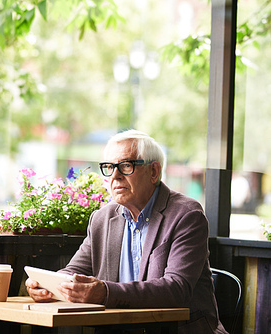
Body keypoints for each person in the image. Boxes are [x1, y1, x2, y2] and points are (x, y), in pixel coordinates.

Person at [26, 130, 227, 334]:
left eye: (125, 166)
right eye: (109, 167)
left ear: (154, 171)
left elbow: (176, 289)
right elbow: (74, 271)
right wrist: (48, 286)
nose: (115, 176)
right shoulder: (102, 218)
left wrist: (105, 292)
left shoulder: (186, 215)